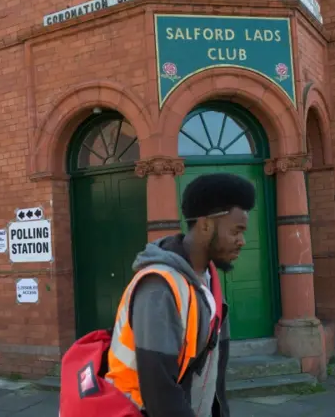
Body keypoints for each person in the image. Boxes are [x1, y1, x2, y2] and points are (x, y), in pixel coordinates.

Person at [104, 172, 256, 417]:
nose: (243, 241)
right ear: (206, 225)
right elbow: (160, 393)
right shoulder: (159, 288)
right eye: (236, 231)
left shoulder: (207, 280)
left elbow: (213, 376)